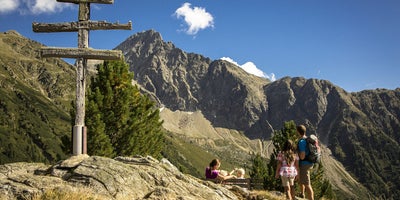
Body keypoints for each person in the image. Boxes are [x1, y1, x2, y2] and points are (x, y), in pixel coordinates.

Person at [297, 125, 314, 200]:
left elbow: (302, 156)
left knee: (307, 184)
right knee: (302, 180)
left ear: (298, 132)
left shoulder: (301, 142)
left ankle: (311, 198)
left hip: (304, 164)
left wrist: (298, 156)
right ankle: (302, 194)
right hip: (309, 162)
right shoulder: (307, 139)